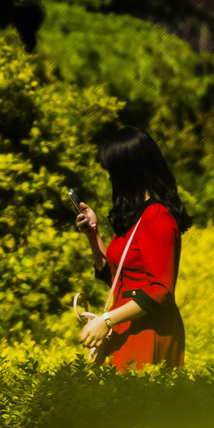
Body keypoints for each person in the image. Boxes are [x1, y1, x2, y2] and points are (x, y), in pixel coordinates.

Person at [76, 126, 192, 371]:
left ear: (129, 171)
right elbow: (117, 280)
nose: (110, 178)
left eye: (113, 172)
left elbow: (160, 289)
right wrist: (93, 234)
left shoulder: (157, 216)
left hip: (148, 332)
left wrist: (106, 321)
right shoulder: (134, 218)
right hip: (125, 327)